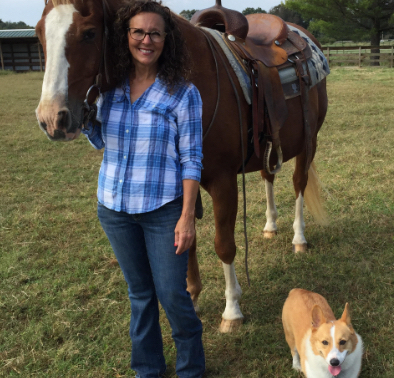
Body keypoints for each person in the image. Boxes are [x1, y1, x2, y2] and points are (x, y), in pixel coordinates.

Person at [82, 1, 205, 377]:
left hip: (163, 211)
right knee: (140, 296)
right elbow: (100, 140)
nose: (146, 40)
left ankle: (190, 370)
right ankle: (148, 369)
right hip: (114, 209)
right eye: (138, 32)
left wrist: (186, 217)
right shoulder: (111, 89)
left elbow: (192, 159)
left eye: (154, 33)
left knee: (172, 295)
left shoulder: (183, 94)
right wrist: (86, 118)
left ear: (167, 40)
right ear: (126, 36)